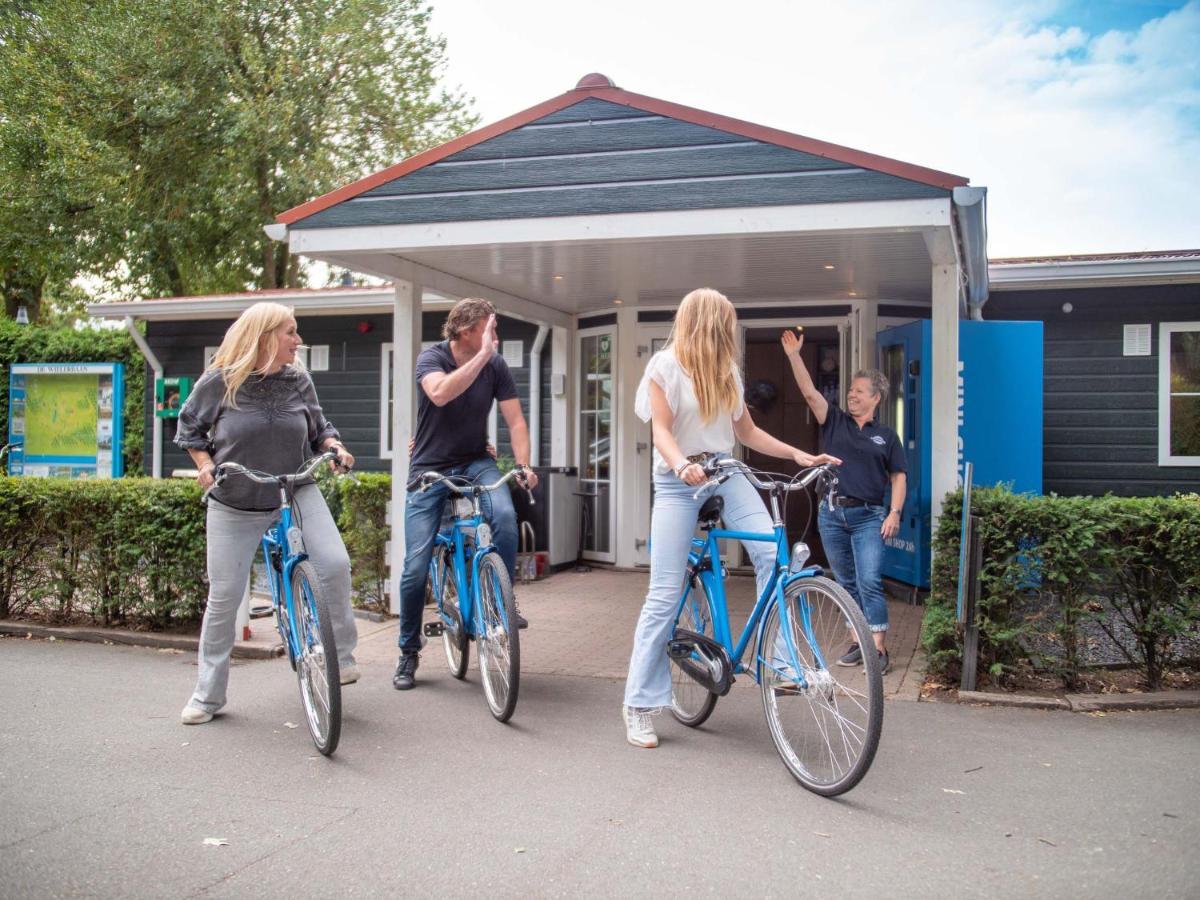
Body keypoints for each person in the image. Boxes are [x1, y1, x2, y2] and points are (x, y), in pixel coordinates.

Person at [623, 288, 840, 749]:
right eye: (725, 322)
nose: (729, 331)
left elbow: (747, 432)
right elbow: (660, 430)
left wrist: (798, 454)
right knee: (663, 593)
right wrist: (682, 465)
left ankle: (781, 663)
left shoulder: (727, 373)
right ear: (706, 323)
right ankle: (639, 705)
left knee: (773, 553)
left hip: (726, 471)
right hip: (678, 479)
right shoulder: (664, 367)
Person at [174, 302, 358, 725]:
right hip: (235, 499)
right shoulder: (220, 381)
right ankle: (207, 696)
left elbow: (320, 430)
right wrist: (204, 465)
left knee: (334, 564)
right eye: (291, 332)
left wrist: (335, 449)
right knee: (225, 596)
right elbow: (189, 430)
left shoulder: (299, 381)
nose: (299, 340)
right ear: (265, 336)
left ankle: (342, 658)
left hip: (295, 489)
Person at [393, 298, 537, 691]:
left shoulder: (496, 366)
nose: (495, 336)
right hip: (429, 468)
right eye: (490, 328)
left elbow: (516, 420)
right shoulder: (432, 358)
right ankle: (408, 650)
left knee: (505, 517)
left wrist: (523, 466)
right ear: (467, 331)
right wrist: (483, 357)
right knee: (415, 566)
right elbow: (439, 393)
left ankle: (501, 602)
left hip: (476, 460)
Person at [781, 328, 906, 675]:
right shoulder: (835, 421)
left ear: (876, 398)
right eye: (850, 390)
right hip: (832, 514)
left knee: (869, 581)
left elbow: (899, 477)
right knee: (846, 582)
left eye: (859, 392)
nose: (852, 395)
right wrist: (794, 355)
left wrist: (894, 512)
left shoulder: (886, 436)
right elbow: (808, 393)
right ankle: (856, 642)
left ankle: (877, 651)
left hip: (869, 516)